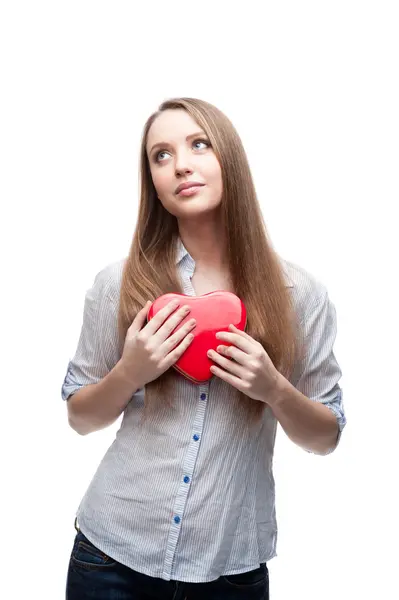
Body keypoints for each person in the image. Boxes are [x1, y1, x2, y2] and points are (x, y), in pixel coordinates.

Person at [62, 97, 346, 599]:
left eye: (199, 144)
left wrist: (274, 389)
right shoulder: (119, 284)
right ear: (152, 181)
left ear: (229, 158)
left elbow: (325, 436)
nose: (181, 164)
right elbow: (80, 417)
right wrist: (130, 372)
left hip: (230, 572)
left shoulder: (300, 296)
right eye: (161, 155)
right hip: (110, 558)